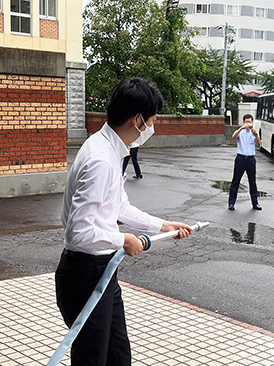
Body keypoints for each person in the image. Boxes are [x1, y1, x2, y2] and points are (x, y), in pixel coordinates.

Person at [55, 77, 193, 366]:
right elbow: (78, 232)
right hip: (85, 273)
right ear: (138, 120)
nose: (153, 128)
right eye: (153, 121)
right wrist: (124, 240)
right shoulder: (100, 159)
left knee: (118, 356)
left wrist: (162, 226)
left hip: (102, 269)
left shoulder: (108, 149)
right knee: (93, 359)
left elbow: (118, 206)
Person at [228, 114, 262, 211]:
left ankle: (255, 203)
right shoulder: (240, 132)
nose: (248, 124)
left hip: (251, 159)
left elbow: (259, 143)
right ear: (243, 122)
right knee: (236, 181)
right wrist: (241, 128)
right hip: (241, 158)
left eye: (250, 122)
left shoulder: (254, 132)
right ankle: (231, 203)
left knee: (252, 181)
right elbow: (233, 136)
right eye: (246, 122)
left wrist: (255, 134)